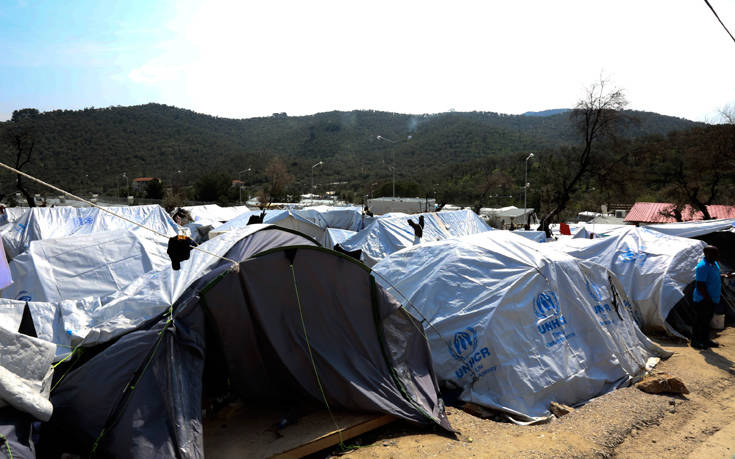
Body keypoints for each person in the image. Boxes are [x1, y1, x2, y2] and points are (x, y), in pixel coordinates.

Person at [691, 245, 734, 349]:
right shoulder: (702, 267)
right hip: (703, 299)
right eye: (715, 253)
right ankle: (695, 341)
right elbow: (700, 285)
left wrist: (725, 276)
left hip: (712, 298)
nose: (717, 255)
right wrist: (707, 299)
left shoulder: (714, 264)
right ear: (707, 254)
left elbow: (714, 276)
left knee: (707, 320)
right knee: (700, 320)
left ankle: (705, 340)